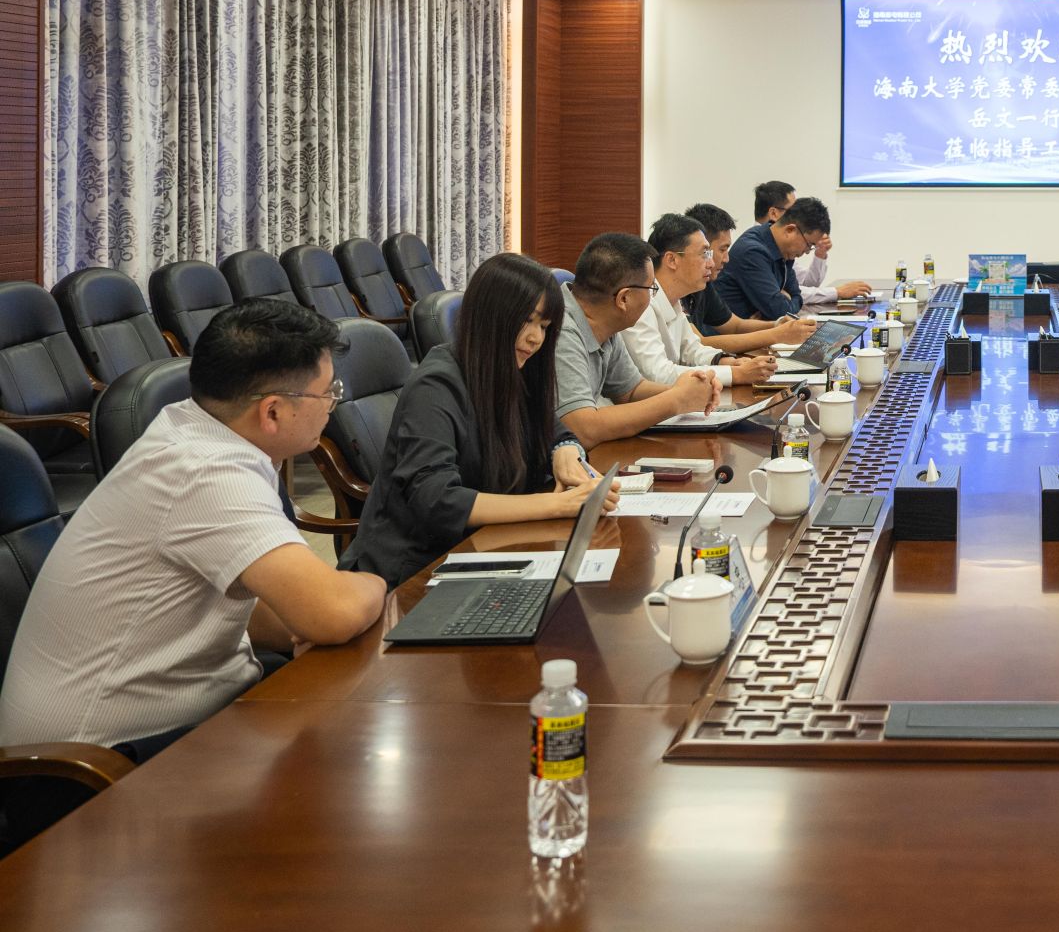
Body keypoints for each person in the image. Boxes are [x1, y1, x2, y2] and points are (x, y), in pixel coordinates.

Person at [0, 300, 385, 757]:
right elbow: (334, 611)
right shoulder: (203, 471)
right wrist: (375, 584)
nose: (333, 406)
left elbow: (250, 602)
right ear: (273, 412)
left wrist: (302, 624)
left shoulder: (200, 430)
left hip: (185, 716)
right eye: (328, 393)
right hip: (96, 763)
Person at [341, 253, 623, 588]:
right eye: (527, 321)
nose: (536, 338)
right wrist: (555, 504)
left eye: (545, 327)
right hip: (413, 571)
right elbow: (436, 498)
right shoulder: (437, 384)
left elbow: (553, 428)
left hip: (485, 548)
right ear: (492, 315)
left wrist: (565, 450)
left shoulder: (512, 368)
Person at [555, 233, 719, 447]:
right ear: (624, 298)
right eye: (652, 289)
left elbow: (631, 391)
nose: (653, 297)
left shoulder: (605, 323)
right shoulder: (561, 330)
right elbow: (583, 428)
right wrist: (677, 399)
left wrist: (691, 391)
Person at [623, 214, 776, 389]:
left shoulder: (674, 299)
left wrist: (726, 362)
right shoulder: (641, 302)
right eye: (704, 254)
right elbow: (658, 374)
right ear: (672, 260)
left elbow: (692, 350)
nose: (711, 263)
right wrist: (735, 374)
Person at [682, 203, 817, 355]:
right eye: (722, 249)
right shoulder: (674, 290)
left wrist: (777, 325)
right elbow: (699, 344)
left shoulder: (703, 283)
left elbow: (734, 326)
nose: (726, 259)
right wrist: (777, 334)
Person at [716, 196, 831, 321]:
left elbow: (797, 296)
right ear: (790, 230)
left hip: (760, 328)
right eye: (809, 245)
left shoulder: (784, 251)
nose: (807, 252)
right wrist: (785, 299)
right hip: (731, 331)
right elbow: (780, 311)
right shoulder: (752, 252)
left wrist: (786, 299)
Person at [756, 180, 869, 305]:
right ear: (773, 213)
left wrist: (820, 254)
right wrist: (837, 292)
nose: (798, 214)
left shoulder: (780, 246)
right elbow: (783, 298)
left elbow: (805, 285)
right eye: (792, 210)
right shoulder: (756, 249)